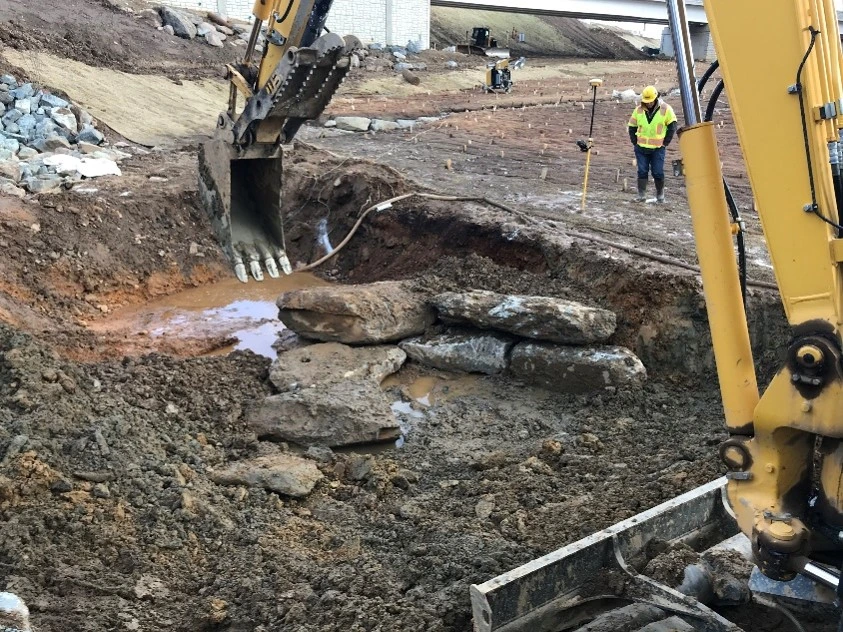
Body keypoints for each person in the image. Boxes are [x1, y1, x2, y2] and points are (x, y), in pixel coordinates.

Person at [628, 85, 677, 203]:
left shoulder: (666, 109)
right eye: (646, 102)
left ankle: (660, 196)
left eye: (650, 101)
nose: (648, 104)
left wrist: (665, 143)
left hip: (658, 149)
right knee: (642, 171)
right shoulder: (638, 110)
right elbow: (632, 127)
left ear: (656, 98)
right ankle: (641, 196)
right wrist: (635, 142)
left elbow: (672, 126)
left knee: (658, 172)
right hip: (641, 148)